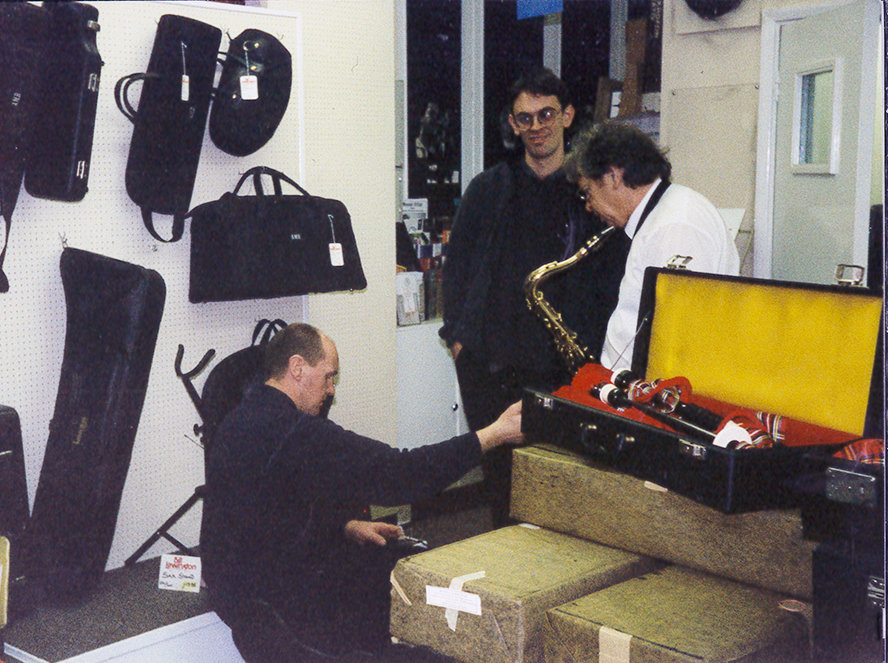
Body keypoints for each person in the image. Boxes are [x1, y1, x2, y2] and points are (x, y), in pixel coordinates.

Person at [200, 322, 524, 658]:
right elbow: (401, 473)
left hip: (243, 593)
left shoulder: (239, 419)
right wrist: (494, 434)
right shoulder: (295, 433)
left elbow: (271, 511)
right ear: (297, 368)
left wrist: (344, 526)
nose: (331, 390)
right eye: (328, 376)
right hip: (275, 611)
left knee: (381, 563)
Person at [439, 68, 628, 528]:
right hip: (492, 371)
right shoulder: (487, 189)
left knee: (567, 495)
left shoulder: (588, 191)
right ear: (512, 123)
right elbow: (456, 271)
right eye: (524, 118)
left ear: (567, 115)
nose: (536, 126)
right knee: (502, 493)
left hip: (568, 371)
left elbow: (614, 276)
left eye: (546, 114)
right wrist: (460, 345)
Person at [563, 120, 740, 371]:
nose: (588, 206)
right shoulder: (661, 218)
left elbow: (676, 339)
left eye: (587, 192)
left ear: (613, 176)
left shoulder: (676, 225)